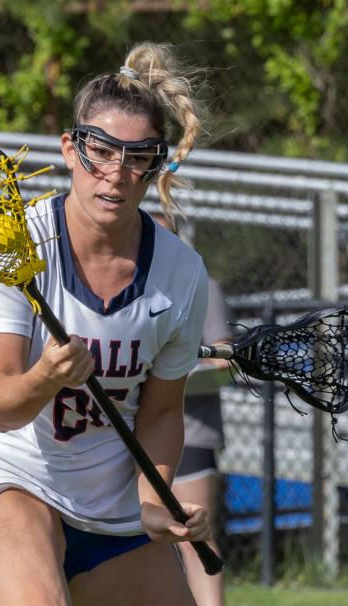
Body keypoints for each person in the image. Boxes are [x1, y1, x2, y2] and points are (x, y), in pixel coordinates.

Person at [0, 42, 211, 605]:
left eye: (137, 157)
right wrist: (48, 376)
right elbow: (2, 404)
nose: (115, 174)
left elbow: (159, 414)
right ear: (69, 148)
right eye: (100, 151)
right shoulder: (20, 244)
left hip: (111, 503)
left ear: (155, 164)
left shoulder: (182, 272)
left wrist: (154, 503)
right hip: (7, 475)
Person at [157, 213, 233, 606]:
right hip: (138, 436)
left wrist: (169, 374)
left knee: (194, 536)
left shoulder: (202, 285)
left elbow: (224, 360)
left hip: (191, 430)